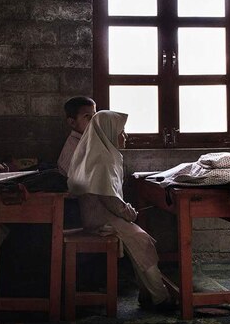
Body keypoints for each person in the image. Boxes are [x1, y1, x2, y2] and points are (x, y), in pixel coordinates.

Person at [68, 110, 174, 312]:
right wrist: (128, 213)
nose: (125, 136)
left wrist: (125, 211)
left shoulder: (100, 154)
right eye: (122, 131)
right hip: (100, 218)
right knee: (142, 240)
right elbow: (109, 199)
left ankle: (149, 294)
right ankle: (160, 298)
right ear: (108, 132)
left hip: (98, 214)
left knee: (142, 241)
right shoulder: (102, 160)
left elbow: (109, 196)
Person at [57, 96, 96, 177]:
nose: (94, 120)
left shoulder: (85, 140)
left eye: (95, 115)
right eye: (87, 116)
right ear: (72, 122)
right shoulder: (75, 147)